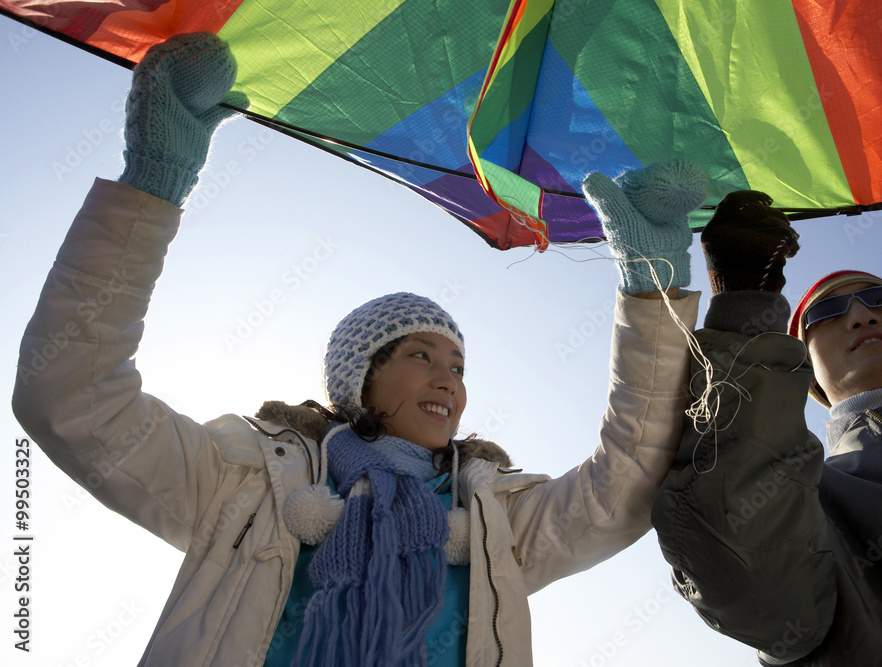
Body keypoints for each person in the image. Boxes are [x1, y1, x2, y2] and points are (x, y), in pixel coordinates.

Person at [12, 33, 706, 666]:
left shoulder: (499, 517)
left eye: (459, 365)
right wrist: (152, 184)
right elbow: (70, 392)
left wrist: (652, 290)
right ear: (360, 381)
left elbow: (628, 484)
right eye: (420, 356)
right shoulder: (244, 483)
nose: (449, 380)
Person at [651, 191, 882, 665]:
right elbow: (758, 597)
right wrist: (745, 308)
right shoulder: (807, 498)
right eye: (826, 313)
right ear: (807, 368)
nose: (861, 315)